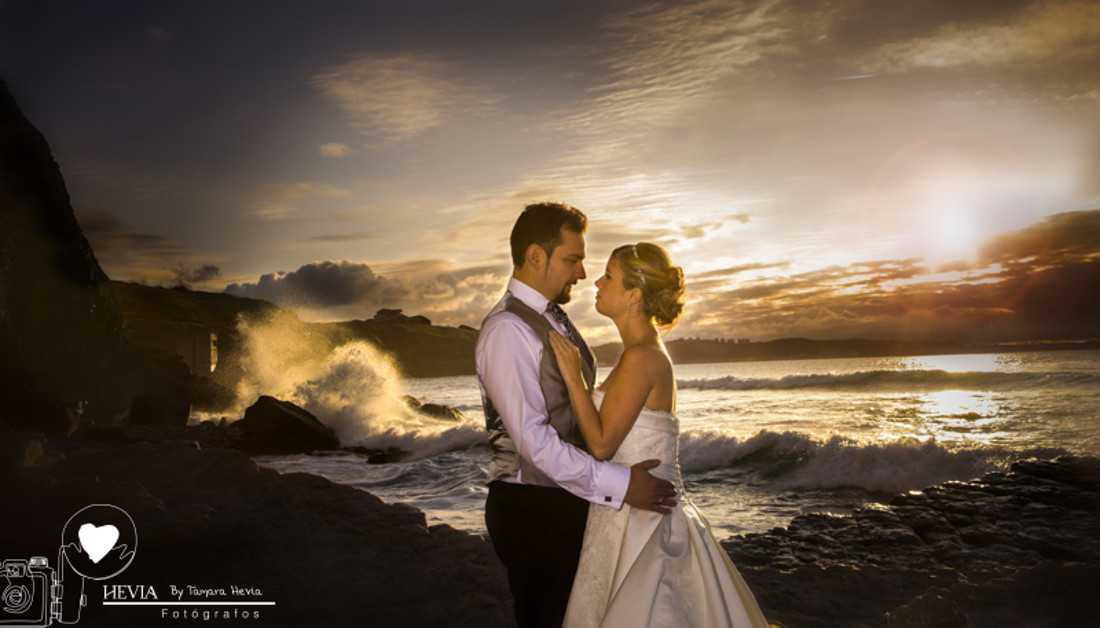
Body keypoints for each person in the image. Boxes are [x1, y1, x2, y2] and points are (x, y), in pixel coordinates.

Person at [477, 203, 678, 628]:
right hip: (533, 508)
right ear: (535, 257)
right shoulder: (507, 330)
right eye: (573, 259)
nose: (582, 274)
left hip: (567, 501)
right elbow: (533, 443)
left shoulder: (553, 317)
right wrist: (622, 485)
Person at [548, 242, 769, 627]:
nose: (596, 282)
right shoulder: (642, 352)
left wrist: (572, 378)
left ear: (633, 294)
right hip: (630, 510)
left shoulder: (642, 357)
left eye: (609, 276)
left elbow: (601, 445)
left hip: (643, 525)